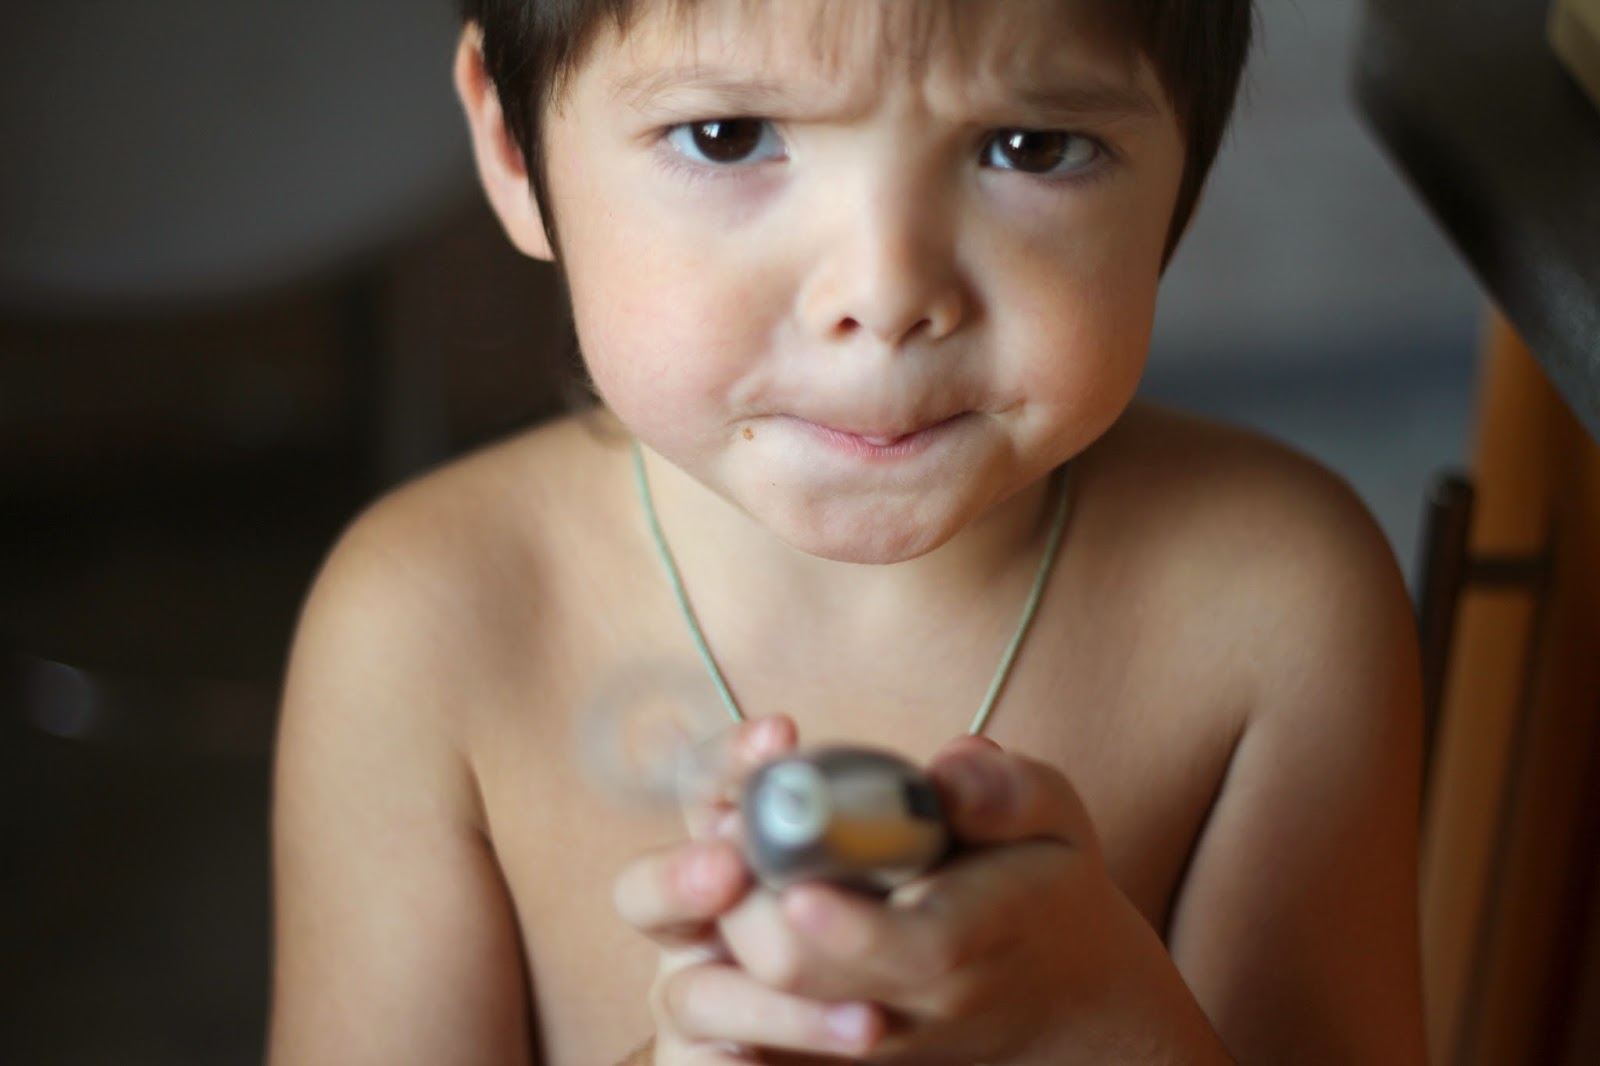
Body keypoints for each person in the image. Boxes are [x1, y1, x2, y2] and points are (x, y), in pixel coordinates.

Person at [267, 1, 1428, 1063]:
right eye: (727, 136)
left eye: (1028, 147)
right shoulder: (426, 624)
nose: (884, 294)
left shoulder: (1275, 602)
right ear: (515, 146)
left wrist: (1113, 1021)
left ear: (1187, 169)